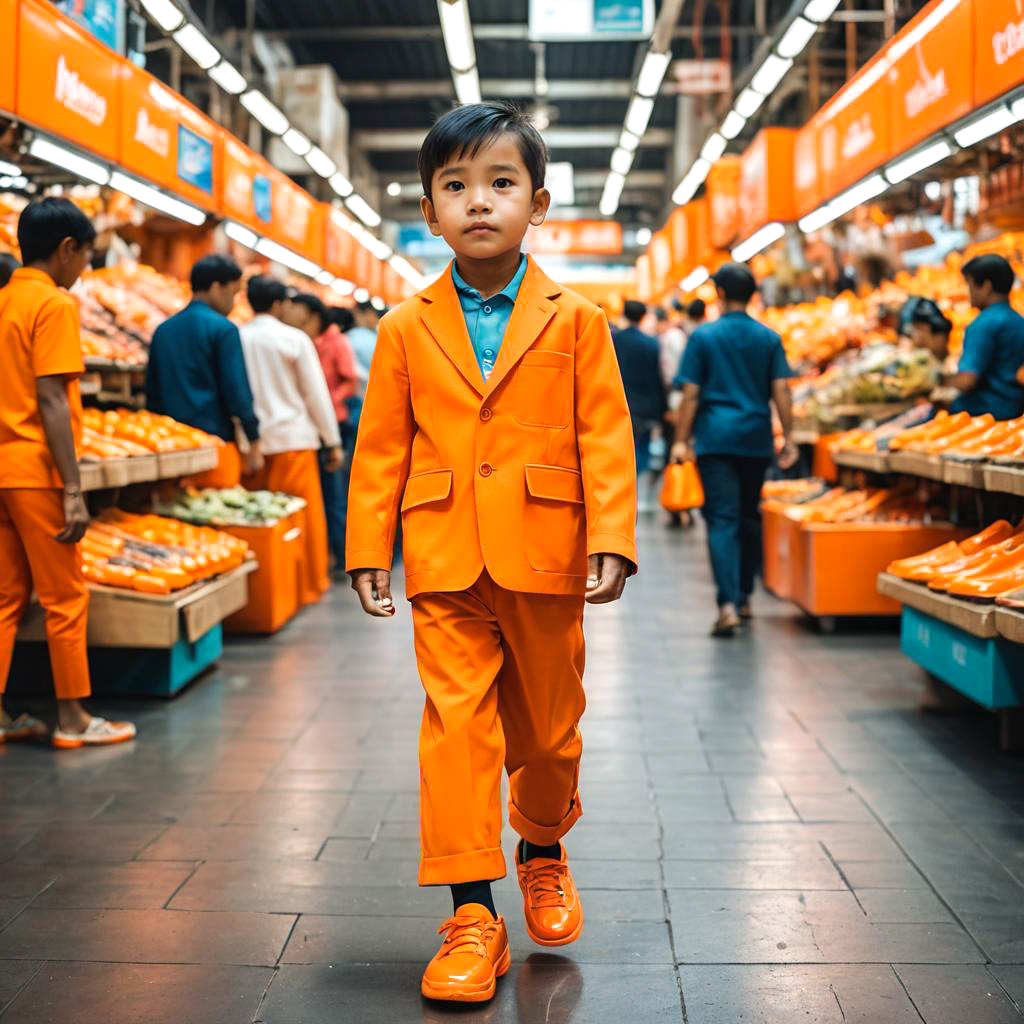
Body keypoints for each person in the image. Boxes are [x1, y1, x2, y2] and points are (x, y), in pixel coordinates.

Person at [346, 101, 636, 1004]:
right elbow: (381, 444)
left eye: (501, 183)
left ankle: (543, 847)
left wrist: (614, 538)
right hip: (442, 556)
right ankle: (473, 914)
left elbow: (607, 434)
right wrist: (368, 546)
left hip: (547, 551)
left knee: (549, 731)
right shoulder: (403, 326)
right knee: (457, 730)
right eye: (456, 186)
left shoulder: (577, 319)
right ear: (430, 212)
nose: (479, 202)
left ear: (538, 203)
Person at [0, 199, 135, 747]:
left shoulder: (5, 299)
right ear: (67, 249)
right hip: (36, 469)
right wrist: (74, 488)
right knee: (64, 598)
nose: (85, 271)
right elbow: (52, 399)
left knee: (6, 596)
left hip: (3, 468)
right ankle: (74, 719)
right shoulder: (54, 306)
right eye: (87, 257)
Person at [672, 263, 797, 638]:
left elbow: (690, 394)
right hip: (755, 439)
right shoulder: (769, 338)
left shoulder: (704, 338)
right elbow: (782, 391)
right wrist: (788, 437)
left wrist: (681, 438)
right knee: (748, 517)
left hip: (715, 440)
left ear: (721, 294)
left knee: (722, 520)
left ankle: (727, 604)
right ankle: (744, 597)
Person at [239, 276, 342, 605]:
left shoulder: (236, 337)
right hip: (294, 441)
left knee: (260, 522)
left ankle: (266, 594)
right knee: (301, 520)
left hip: (252, 444)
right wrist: (332, 440)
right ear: (280, 304)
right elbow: (315, 394)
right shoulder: (294, 339)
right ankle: (306, 587)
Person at [146, 254, 261, 488]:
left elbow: (152, 393)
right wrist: (253, 440)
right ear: (216, 287)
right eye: (234, 293)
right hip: (214, 447)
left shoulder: (163, 330)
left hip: (171, 447)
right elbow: (237, 392)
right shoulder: (224, 330)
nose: (234, 302)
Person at [286, 292, 359, 578]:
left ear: (314, 315)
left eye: (301, 312)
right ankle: (328, 557)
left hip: (337, 424)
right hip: (318, 423)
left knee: (335, 493)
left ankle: (344, 560)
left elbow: (350, 380)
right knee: (325, 492)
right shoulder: (309, 341)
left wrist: (330, 401)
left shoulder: (336, 341)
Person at [940, 255, 1024, 420]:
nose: (968, 293)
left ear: (986, 287)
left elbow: (967, 380)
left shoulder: (982, 325)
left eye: (970, 286)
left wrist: (937, 383)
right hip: (1015, 409)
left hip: (985, 412)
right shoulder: (1018, 319)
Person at [613, 300, 667, 511]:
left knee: (622, 449)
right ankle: (639, 491)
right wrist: (662, 408)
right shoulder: (652, 343)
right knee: (642, 449)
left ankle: (624, 492)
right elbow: (657, 378)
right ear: (644, 316)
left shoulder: (614, 340)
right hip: (645, 406)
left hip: (618, 402)